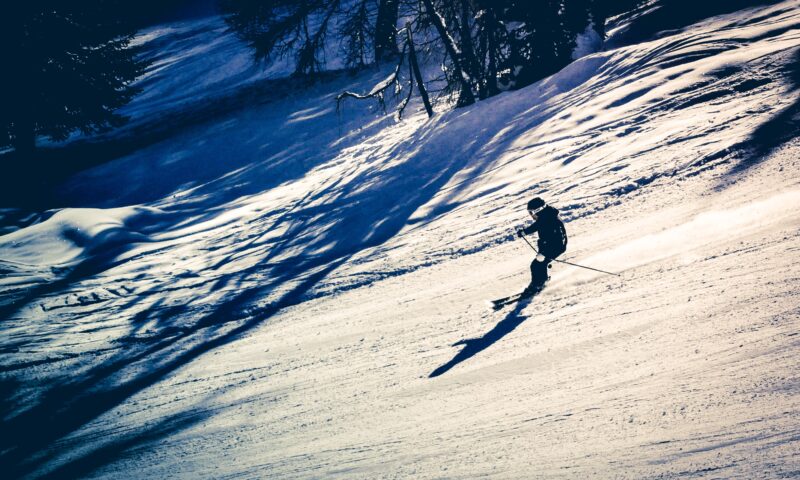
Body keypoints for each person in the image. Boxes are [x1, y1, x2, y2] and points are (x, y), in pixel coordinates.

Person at [516, 197, 568, 297]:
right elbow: (537, 226)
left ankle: (537, 286)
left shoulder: (549, 219)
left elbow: (557, 238)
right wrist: (524, 232)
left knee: (536, 265)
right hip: (549, 245)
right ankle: (542, 282)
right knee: (540, 264)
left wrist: (545, 253)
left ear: (538, 211)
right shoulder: (546, 216)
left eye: (531, 213)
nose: (531, 215)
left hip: (555, 246)